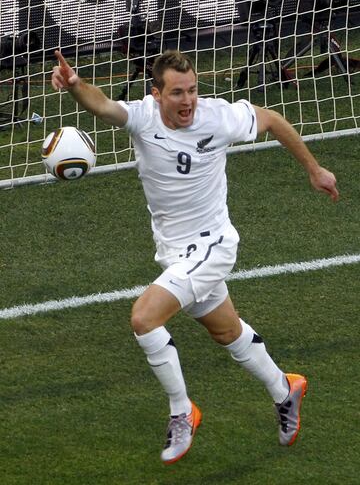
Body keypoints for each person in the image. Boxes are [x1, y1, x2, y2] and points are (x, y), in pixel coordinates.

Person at [52, 49, 339, 464]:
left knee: (144, 318)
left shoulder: (217, 116)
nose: (187, 101)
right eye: (177, 93)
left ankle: (182, 410)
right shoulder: (143, 117)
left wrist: (314, 169)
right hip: (175, 251)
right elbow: (102, 106)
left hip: (213, 245)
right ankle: (285, 388)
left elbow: (273, 119)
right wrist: (77, 86)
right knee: (226, 332)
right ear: (156, 95)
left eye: (192, 91)